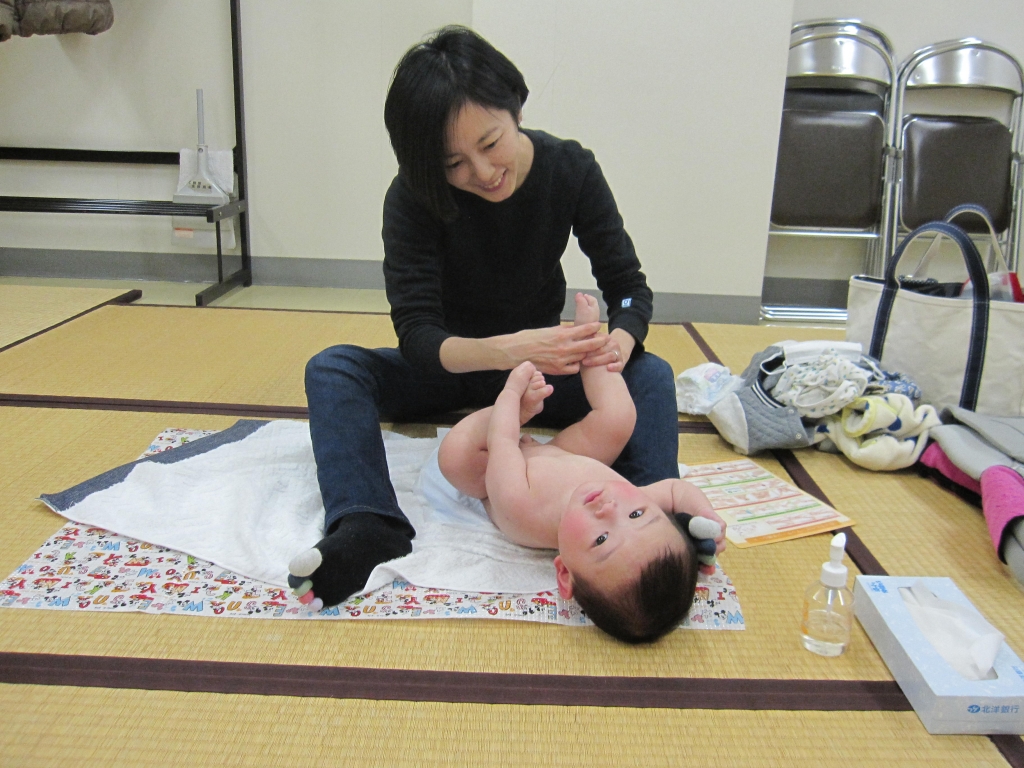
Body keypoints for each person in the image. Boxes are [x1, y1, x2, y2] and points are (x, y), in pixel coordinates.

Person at [288, 25, 681, 611]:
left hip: (542, 380)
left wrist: (618, 342)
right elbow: (418, 335)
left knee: (650, 374)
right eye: (454, 163)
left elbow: (628, 290)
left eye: (491, 143)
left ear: (514, 106)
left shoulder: (569, 168)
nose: (483, 171)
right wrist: (510, 351)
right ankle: (368, 522)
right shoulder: (413, 197)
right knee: (334, 369)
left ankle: (653, 506)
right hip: (456, 369)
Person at [437, 294, 725, 643]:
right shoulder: (626, 499)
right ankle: (590, 346)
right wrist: (706, 517)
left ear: (565, 573)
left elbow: (502, 442)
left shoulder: (522, 508)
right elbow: (677, 491)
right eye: (637, 514)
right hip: (565, 454)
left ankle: (518, 406)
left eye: (601, 539)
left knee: (454, 457)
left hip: (499, 467)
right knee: (619, 418)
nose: (609, 509)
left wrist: (514, 400)